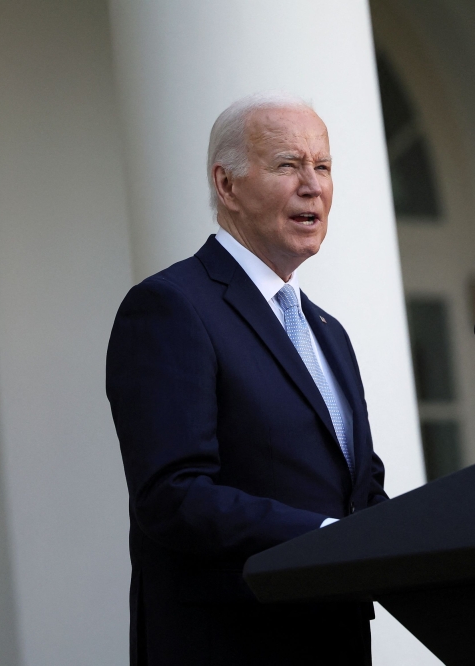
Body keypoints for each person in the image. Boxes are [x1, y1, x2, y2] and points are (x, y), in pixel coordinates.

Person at [106, 92, 389, 666]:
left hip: (332, 636)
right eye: (288, 165)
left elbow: (359, 493)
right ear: (227, 184)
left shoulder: (326, 331)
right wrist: (328, 537)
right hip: (231, 640)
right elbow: (172, 495)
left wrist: (435, 540)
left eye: (323, 166)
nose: (313, 185)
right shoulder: (171, 306)